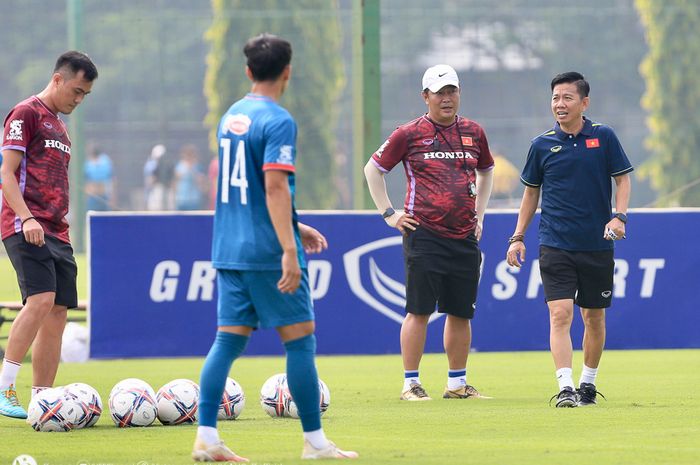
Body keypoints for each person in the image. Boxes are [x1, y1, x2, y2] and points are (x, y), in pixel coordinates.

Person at [192, 34, 358, 462]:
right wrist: (288, 247)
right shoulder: (278, 119)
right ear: (288, 71)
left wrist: (296, 225)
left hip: (229, 246)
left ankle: (207, 438)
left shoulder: (231, 116)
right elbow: (273, 184)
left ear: (248, 71)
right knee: (300, 342)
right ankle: (316, 444)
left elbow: (248, 189)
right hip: (267, 251)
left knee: (226, 341)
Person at [364, 64, 495, 401]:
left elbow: (486, 171)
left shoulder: (474, 132)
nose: (447, 98)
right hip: (424, 233)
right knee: (419, 311)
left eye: (452, 91)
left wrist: (479, 215)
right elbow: (373, 169)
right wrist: (389, 214)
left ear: (459, 93)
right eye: (439, 92)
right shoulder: (408, 133)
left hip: (464, 235)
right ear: (426, 97)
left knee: (461, 312)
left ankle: (456, 383)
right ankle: (411, 383)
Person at [506, 72, 632, 408]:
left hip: (597, 244)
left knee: (593, 317)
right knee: (560, 314)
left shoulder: (603, 137)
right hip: (555, 243)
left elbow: (622, 181)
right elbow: (530, 195)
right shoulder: (541, 145)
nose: (559, 105)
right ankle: (565, 387)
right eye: (555, 98)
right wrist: (517, 237)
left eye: (567, 98)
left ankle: (588, 385)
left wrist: (619, 216)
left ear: (584, 103)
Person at [0, 51, 98, 419]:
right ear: (58, 79)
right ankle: (5, 387)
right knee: (40, 300)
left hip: (57, 231)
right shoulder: (25, 113)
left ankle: (44, 400)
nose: (78, 99)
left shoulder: (59, 126)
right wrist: (26, 219)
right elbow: (6, 173)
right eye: (76, 90)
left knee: (58, 312)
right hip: (26, 225)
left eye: (85, 94)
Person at [173, 144, 206, 210]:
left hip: (194, 200)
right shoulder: (180, 166)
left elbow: (201, 181)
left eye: (190, 154)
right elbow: (176, 179)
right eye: (187, 154)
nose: (188, 157)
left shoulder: (198, 167)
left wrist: (193, 170)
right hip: (181, 199)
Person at [84, 143, 115, 211]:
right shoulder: (88, 163)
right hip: (93, 197)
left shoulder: (105, 161)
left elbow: (112, 180)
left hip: (104, 196)